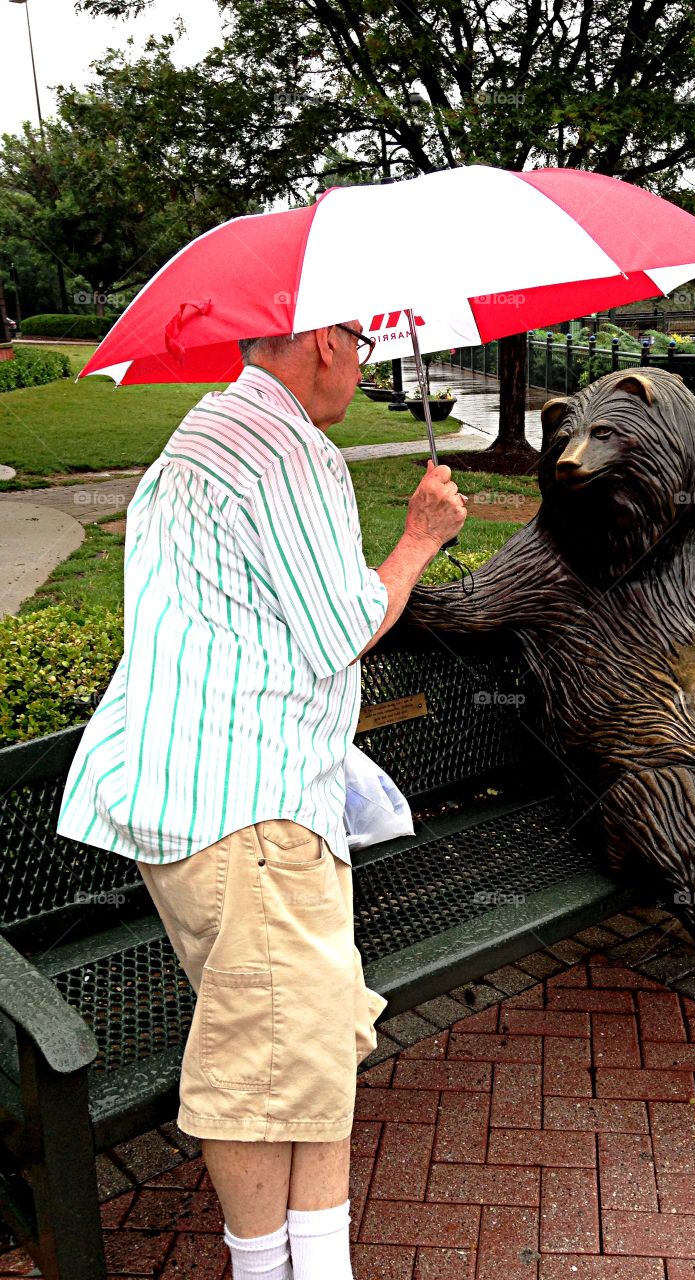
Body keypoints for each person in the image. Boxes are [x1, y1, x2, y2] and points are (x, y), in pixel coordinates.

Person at [56, 322, 466, 1280]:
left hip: (207, 797)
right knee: (267, 1063)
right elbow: (345, 627)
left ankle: (300, 1265)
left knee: (301, 1048)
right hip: (252, 808)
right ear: (321, 340)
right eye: (360, 343)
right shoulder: (286, 450)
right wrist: (418, 539)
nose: (364, 364)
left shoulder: (206, 432)